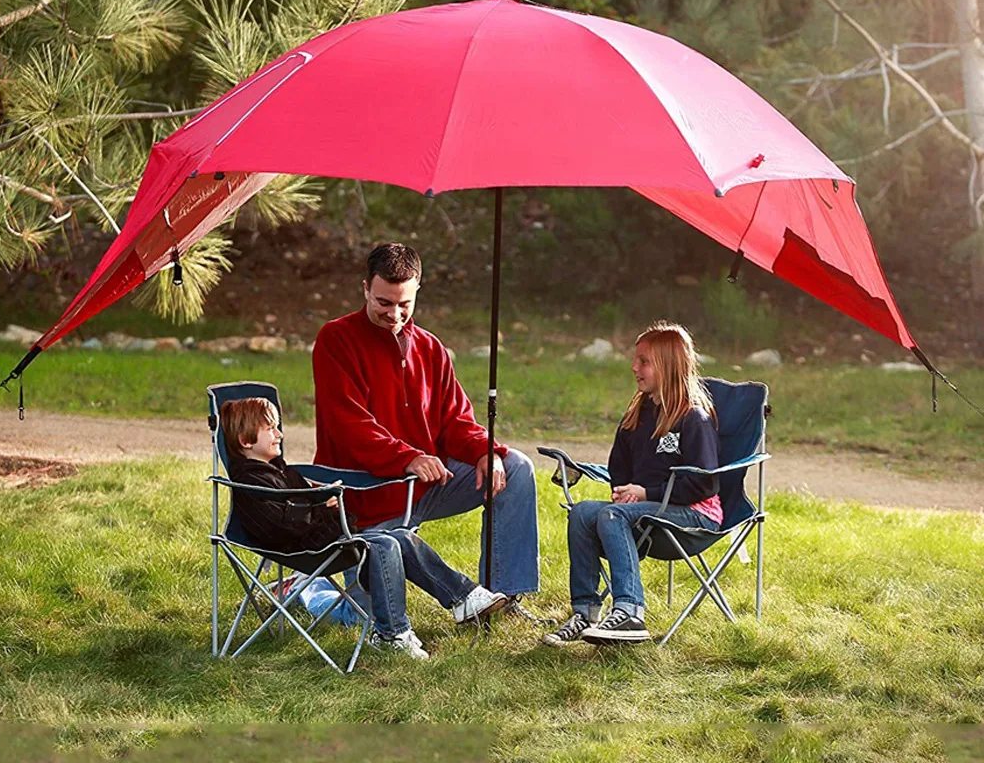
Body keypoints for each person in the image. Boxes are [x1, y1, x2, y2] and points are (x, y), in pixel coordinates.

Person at [311, 243, 543, 621]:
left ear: (418, 289)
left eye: (404, 304)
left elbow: (454, 421)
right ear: (365, 288)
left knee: (514, 466)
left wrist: (486, 451)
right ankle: (306, 593)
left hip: (428, 487)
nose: (395, 314)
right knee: (359, 616)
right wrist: (409, 457)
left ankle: (500, 600)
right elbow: (349, 426)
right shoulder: (336, 339)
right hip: (368, 499)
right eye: (384, 302)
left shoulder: (431, 348)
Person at [220, 396, 507, 661]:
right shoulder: (251, 482)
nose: (279, 434)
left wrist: (322, 501)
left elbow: (296, 512)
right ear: (246, 440)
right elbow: (281, 526)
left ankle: (462, 598)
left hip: (323, 539)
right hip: (302, 549)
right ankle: (391, 633)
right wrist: (320, 504)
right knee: (383, 545)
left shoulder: (281, 471)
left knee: (400, 537)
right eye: (270, 428)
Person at [542, 322, 722, 646]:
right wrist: (626, 491)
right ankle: (585, 612)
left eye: (644, 361)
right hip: (647, 511)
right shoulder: (637, 414)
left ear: (668, 365)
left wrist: (645, 494)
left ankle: (630, 611)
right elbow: (619, 467)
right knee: (582, 512)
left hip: (694, 515)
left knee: (612, 516)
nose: (634, 367)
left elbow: (705, 485)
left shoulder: (693, 417)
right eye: (635, 360)